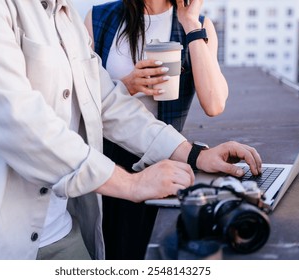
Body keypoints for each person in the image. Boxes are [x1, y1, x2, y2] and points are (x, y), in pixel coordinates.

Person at [0, 0, 261, 260]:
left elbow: (105, 100)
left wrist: (193, 154)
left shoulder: (61, 14)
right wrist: (130, 183)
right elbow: (19, 121)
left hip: (59, 227)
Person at [84, 0, 228, 259]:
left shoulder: (196, 23)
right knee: (107, 249)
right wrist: (126, 85)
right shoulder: (99, 18)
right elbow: (81, 95)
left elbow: (215, 103)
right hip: (105, 159)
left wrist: (191, 24)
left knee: (146, 252)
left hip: (165, 158)